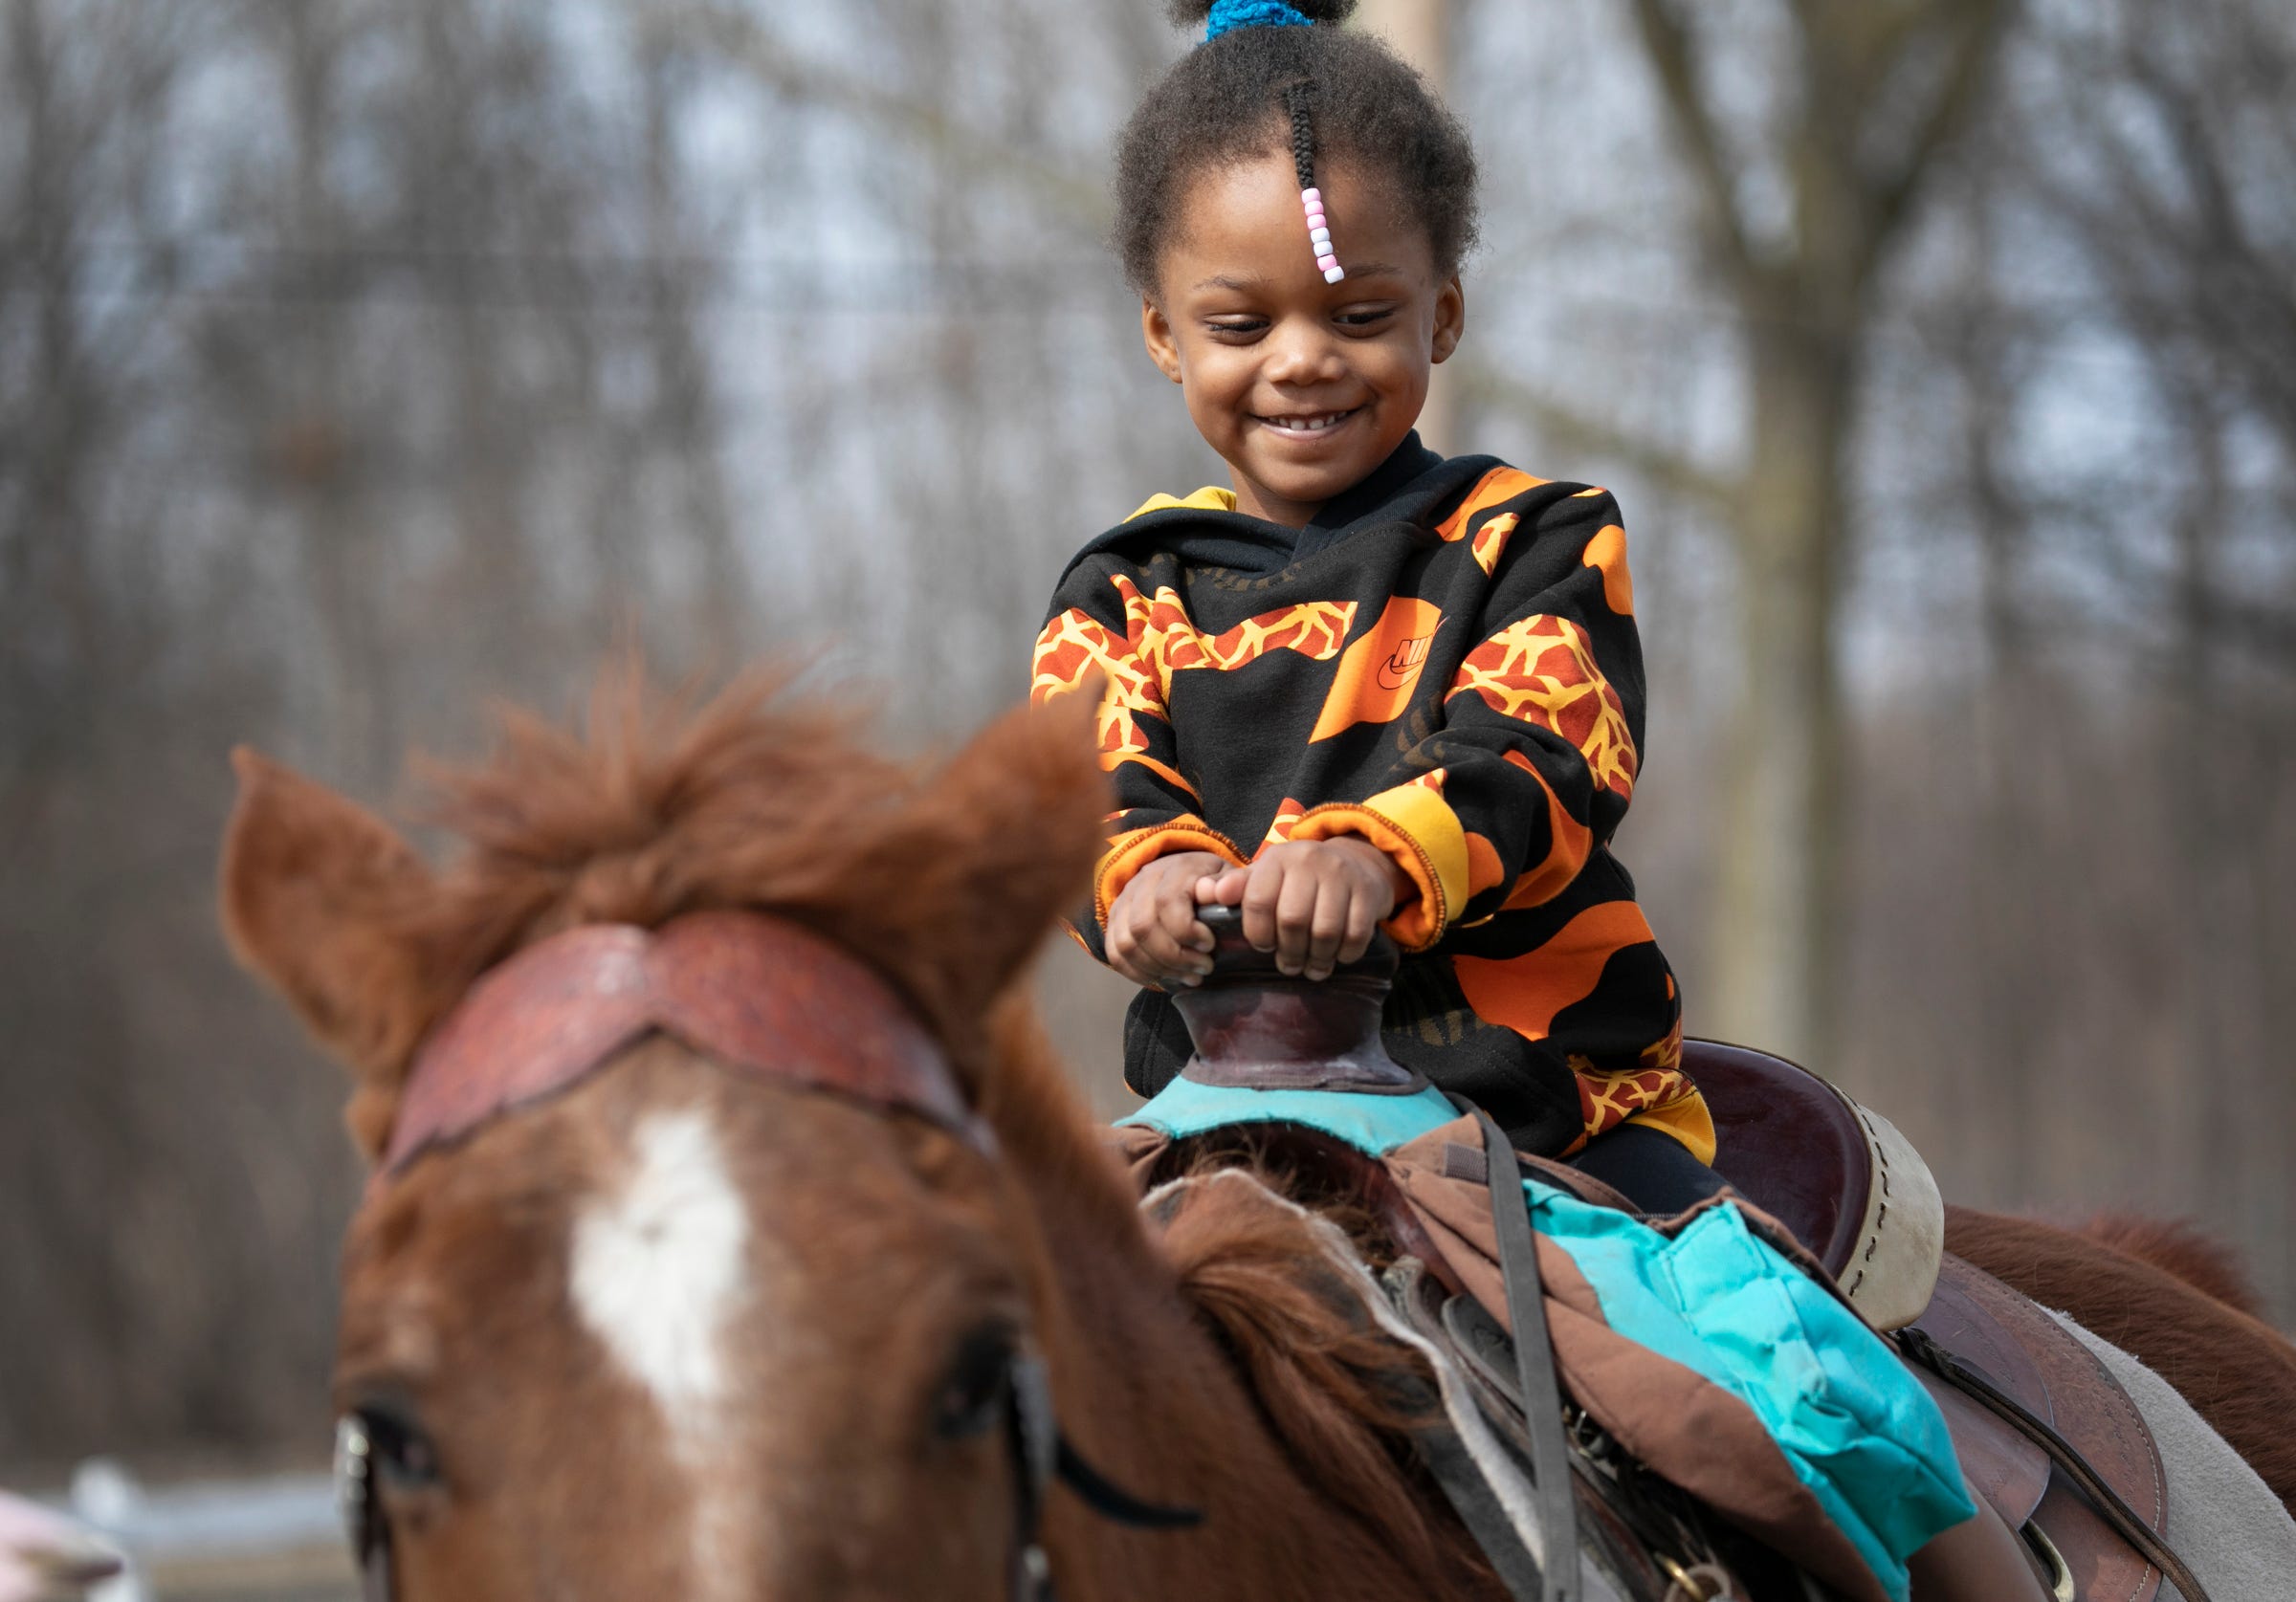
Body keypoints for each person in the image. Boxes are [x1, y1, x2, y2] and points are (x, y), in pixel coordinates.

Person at [1029, 0, 1719, 1214]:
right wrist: (1139, 881)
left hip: (1543, 1108)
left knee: (1727, 1360)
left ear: (1440, 315)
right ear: (1163, 334)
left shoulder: (1535, 537)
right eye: (1241, 325)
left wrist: (1378, 853)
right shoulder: (1125, 589)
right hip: (1221, 1114)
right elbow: (1084, 780)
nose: (1302, 359)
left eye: (1358, 317)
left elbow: (1545, 753)